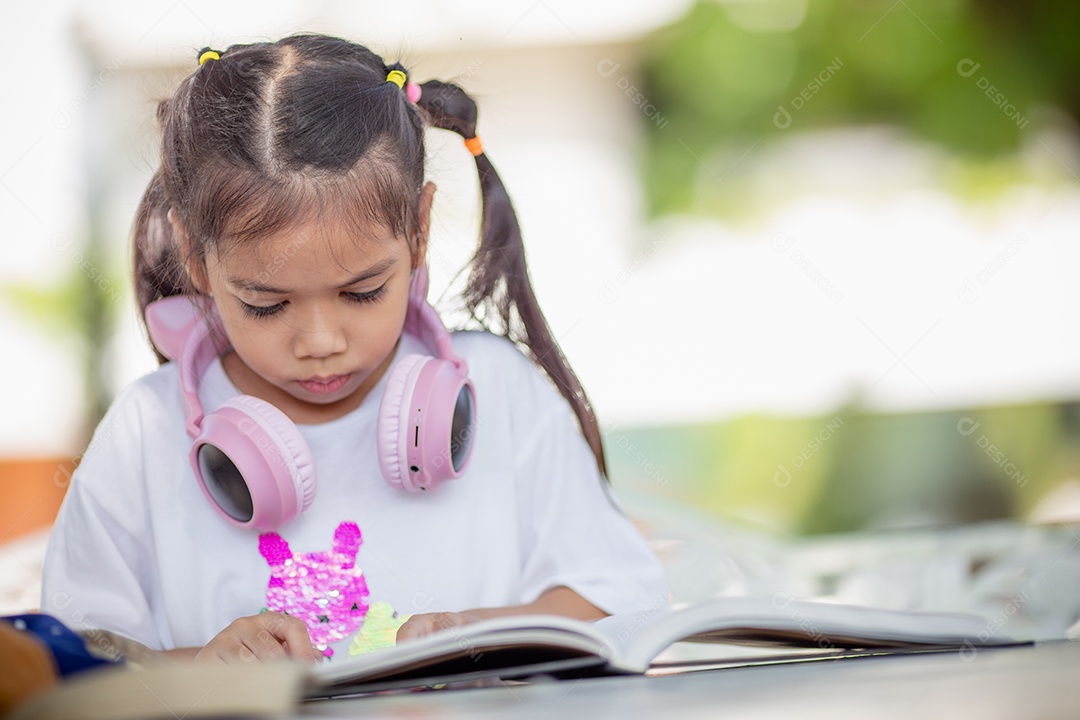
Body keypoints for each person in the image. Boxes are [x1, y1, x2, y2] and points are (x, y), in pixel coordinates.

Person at [40, 34, 665, 664]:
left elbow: (623, 600)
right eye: (266, 304)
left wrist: (472, 632)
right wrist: (205, 665)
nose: (320, 342)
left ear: (419, 232)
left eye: (363, 292)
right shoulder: (146, 436)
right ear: (196, 258)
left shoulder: (503, 392)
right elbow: (72, 664)